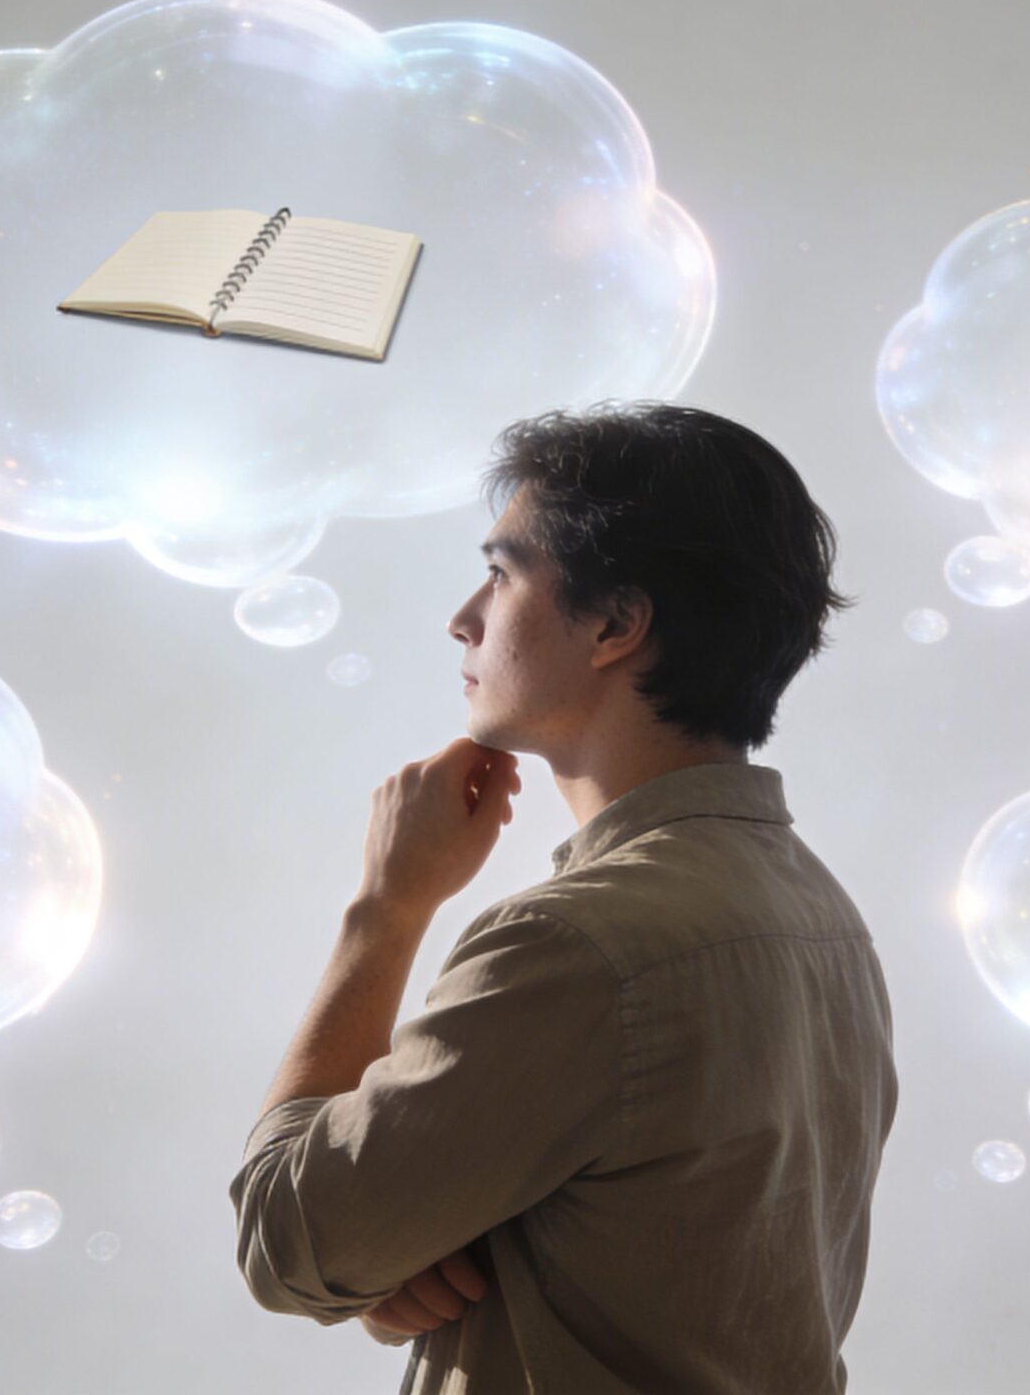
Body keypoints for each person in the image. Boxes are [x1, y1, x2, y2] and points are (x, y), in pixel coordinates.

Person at [230, 402, 898, 1393]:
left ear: (617, 624)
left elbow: (288, 1241)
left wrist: (386, 908)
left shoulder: (576, 944)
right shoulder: (822, 917)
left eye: (502, 575)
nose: (463, 617)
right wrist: (403, 1248)